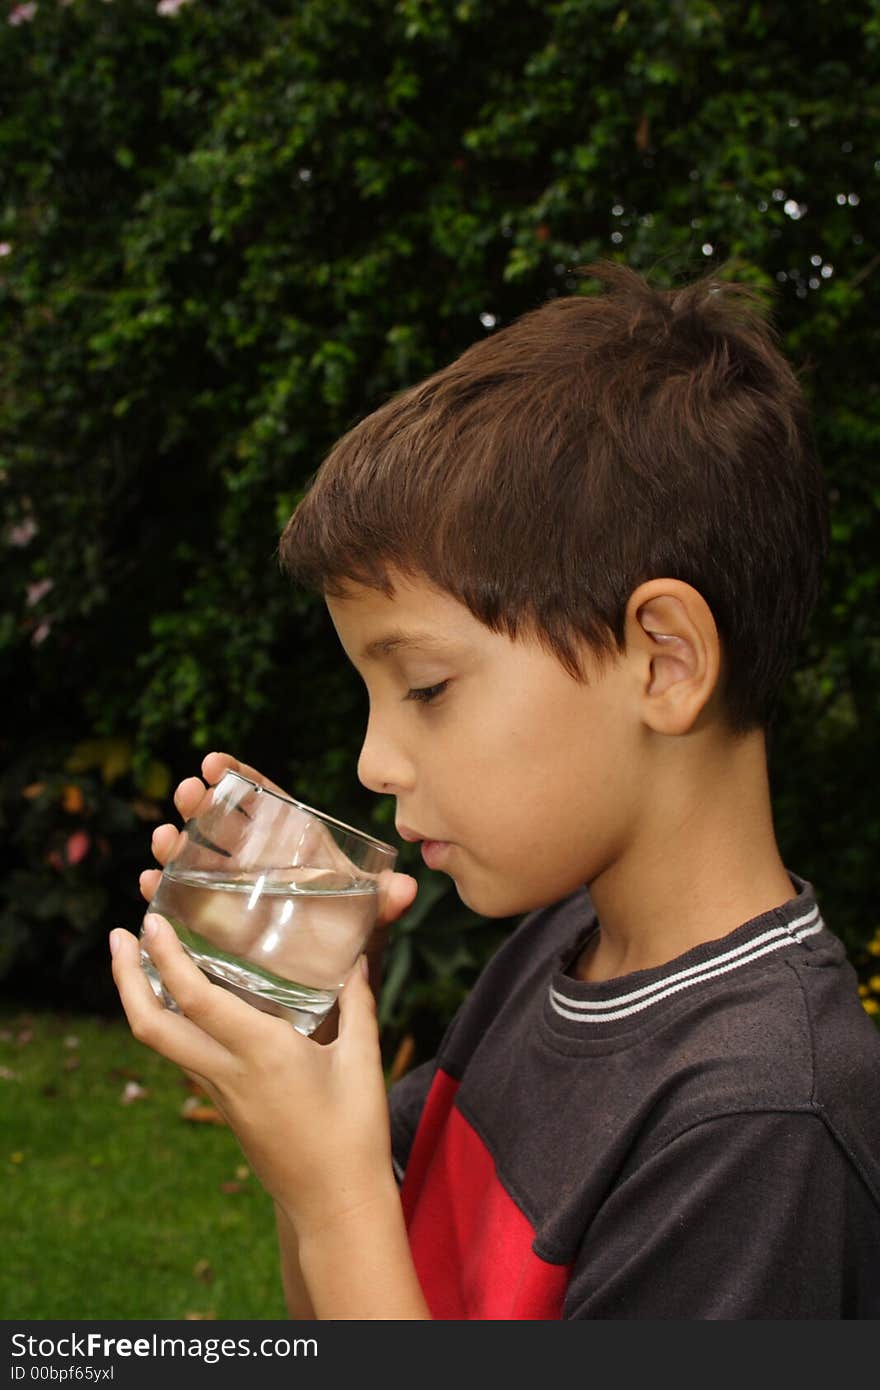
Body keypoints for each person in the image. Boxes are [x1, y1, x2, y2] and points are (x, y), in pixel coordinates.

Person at [109, 263, 880, 1319]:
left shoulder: (764, 1126)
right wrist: (305, 1095)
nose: (374, 762)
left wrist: (336, 1199)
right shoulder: (549, 955)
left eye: (424, 685)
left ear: (662, 662)